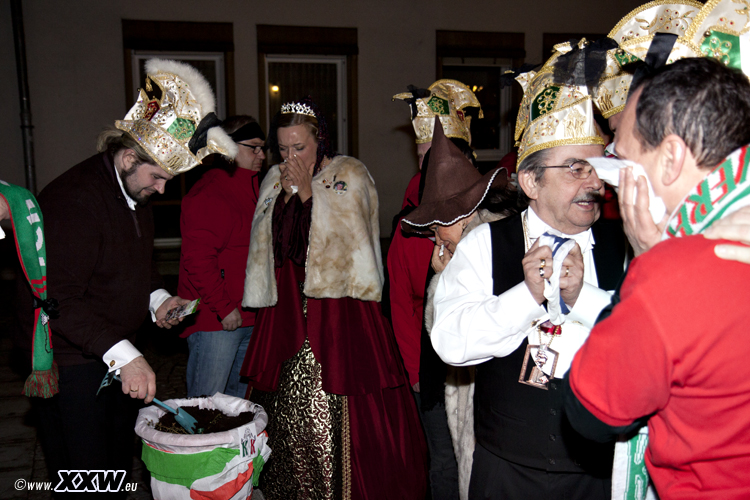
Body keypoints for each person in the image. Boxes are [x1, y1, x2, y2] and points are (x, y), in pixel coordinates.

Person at [21, 59, 237, 496]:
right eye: (158, 177)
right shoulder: (76, 201)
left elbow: (134, 265)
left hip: (110, 354)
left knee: (116, 463)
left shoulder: (132, 189)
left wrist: (157, 299)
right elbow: (57, 300)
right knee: (85, 476)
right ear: (127, 157)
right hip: (73, 363)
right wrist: (127, 357)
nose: (162, 189)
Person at [430, 41, 628, 499]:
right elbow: (450, 342)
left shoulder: (624, 244)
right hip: (507, 471)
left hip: (597, 473)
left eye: (598, 167)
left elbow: (650, 342)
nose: (594, 183)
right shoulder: (486, 243)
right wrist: (527, 295)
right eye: (576, 168)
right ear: (531, 181)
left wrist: (585, 301)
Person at [565, 55, 750, 499]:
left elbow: (589, 414)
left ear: (670, 158)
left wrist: (650, 263)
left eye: (625, 162)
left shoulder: (674, 278)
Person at [240, 98, 427, 499]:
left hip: (340, 313)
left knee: (348, 405)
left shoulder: (349, 174)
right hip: (287, 312)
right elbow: (270, 250)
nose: (290, 157)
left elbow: (353, 248)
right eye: (283, 148)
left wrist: (310, 196)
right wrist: (286, 199)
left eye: (299, 147)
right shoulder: (273, 179)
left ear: (320, 140)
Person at [401, 118, 514, 500]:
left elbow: (455, 331)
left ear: (463, 215)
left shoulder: (491, 246)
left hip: (492, 400)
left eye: (438, 226)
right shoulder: (461, 245)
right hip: (463, 392)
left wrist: (444, 278)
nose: (435, 236)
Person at [390, 80, 483, 500]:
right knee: (445, 460)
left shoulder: (493, 219)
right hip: (431, 365)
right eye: (424, 155)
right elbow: (401, 304)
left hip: (481, 365)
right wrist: (414, 374)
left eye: (442, 155)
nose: (432, 165)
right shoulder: (408, 226)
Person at [178, 116, 265, 398]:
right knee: (207, 405)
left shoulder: (254, 187)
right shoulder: (210, 193)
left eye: (263, 148)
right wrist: (223, 307)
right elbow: (198, 260)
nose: (262, 155)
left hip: (249, 316)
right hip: (218, 320)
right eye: (253, 148)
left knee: (238, 407)